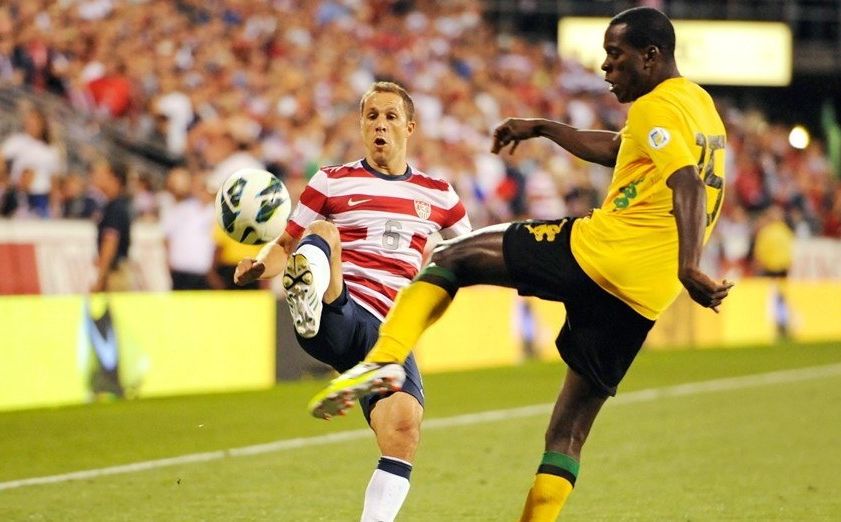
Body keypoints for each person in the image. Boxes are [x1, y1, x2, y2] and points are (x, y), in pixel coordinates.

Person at [310, 8, 734, 522]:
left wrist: (692, 266)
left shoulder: (653, 106)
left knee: (452, 256)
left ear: (650, 57)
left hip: (603, 252)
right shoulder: (700, 108)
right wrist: (544, 128)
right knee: (567, 434)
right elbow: (621, 149)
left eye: (615, 56)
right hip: (644, 294)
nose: (605, 67)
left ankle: (384, 357)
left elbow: (686, 182)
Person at [234, 81, 471, 522]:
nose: (380, 124)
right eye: (371, 116)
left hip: (389, 335)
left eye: (390, 116)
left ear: (410, 126)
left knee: (404, 428)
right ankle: (308, 302)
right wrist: (259, 266)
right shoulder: (331, 181)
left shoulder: (438, 194)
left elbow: (471, 250)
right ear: (361, 125)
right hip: (339, 310)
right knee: (322, 232)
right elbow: (284, 244)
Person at [91, 160, 133, 293]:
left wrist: (101, 278)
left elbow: (110, 242)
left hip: (114, 274)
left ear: (114, 179)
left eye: (104, 175)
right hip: (114, 271)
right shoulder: (114, 205)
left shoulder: (115, 208)